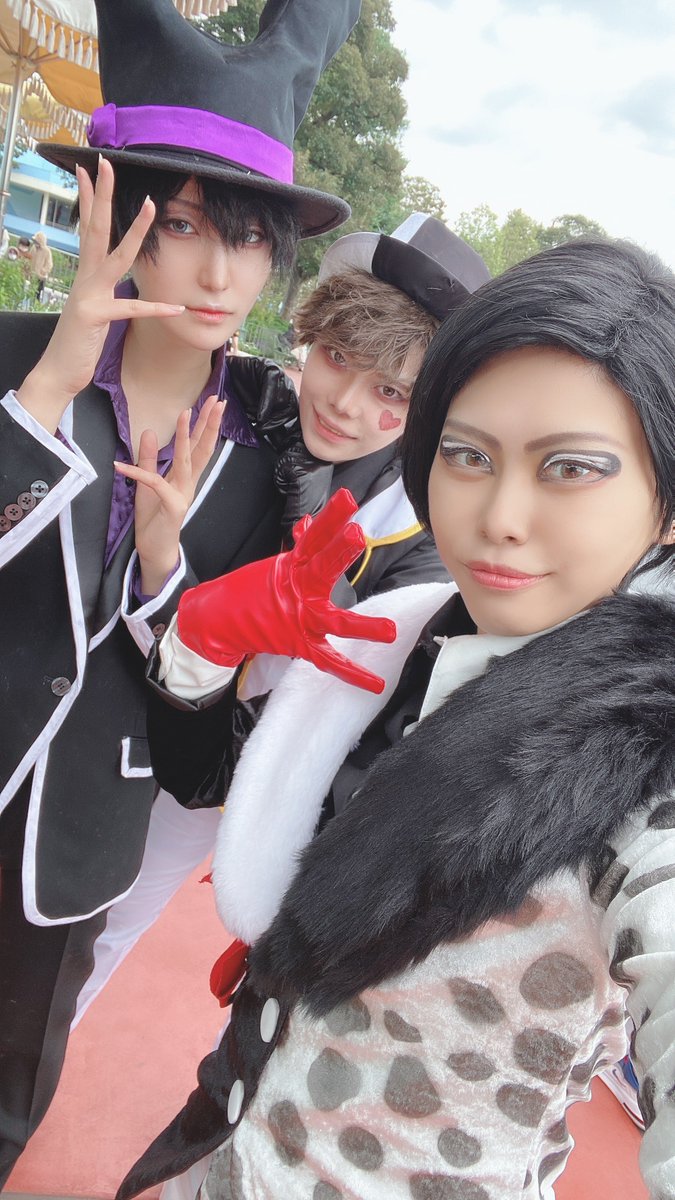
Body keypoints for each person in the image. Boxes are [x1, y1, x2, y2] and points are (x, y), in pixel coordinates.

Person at [118, 238, 674, 1200]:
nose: (497, 517)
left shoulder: (642, 755)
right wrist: (201, 639)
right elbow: (215, 780)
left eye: (570, 467)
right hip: (221, 1155)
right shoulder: (404, 637)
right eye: (465, 454)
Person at [0, 0, 361, 1184]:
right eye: (187, 226)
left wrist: (165, 575)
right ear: (120, 215)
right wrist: (46, 394)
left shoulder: (269, 443)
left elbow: (192, 689)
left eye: (250, 240)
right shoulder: (13, 358)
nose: (219, 272)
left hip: (76, 838)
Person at [71, 214, 489, 1034]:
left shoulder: (419, 539)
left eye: (391, 392)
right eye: (336, 357)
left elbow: (322, 707)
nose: (344, 403)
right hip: (91, 697)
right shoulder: (244, 405)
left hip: (203, 766)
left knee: (94, 935)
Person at [30, 230, 53, 301]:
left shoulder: (47, 251)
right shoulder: (33, 248)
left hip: (41, 277)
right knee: (31, 292)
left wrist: (43, 271)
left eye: (36, 242)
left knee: (38, 293)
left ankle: (36, 305)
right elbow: (30, 257)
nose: (35, 243)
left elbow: (49, 264)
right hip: (33, 274)